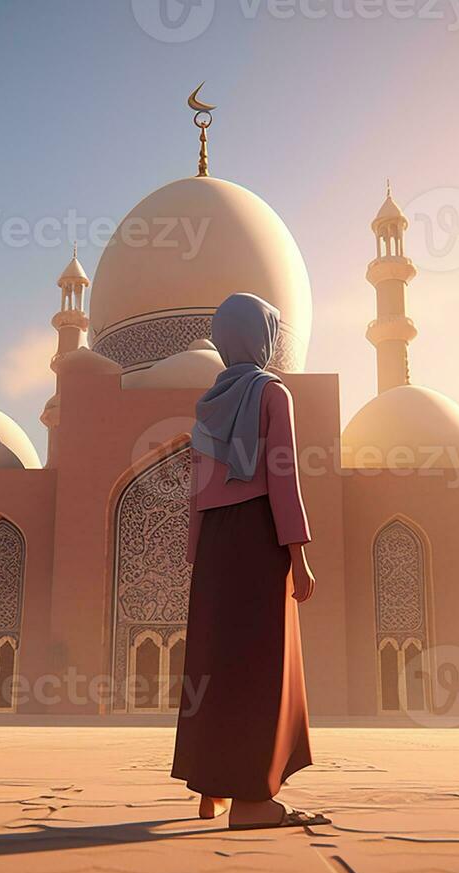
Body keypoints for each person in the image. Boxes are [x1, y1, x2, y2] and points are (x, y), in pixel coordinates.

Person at [171, 292, 329, 830]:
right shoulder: (271, 395)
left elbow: (196, 490)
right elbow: (283, 477)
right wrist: (298, 555)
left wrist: (197, 552)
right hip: (259, 538)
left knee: (216, 667)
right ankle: (253, 803)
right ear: (261, 336)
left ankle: (212, 790)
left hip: (216, 545)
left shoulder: (209, 403)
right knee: (262, 669)